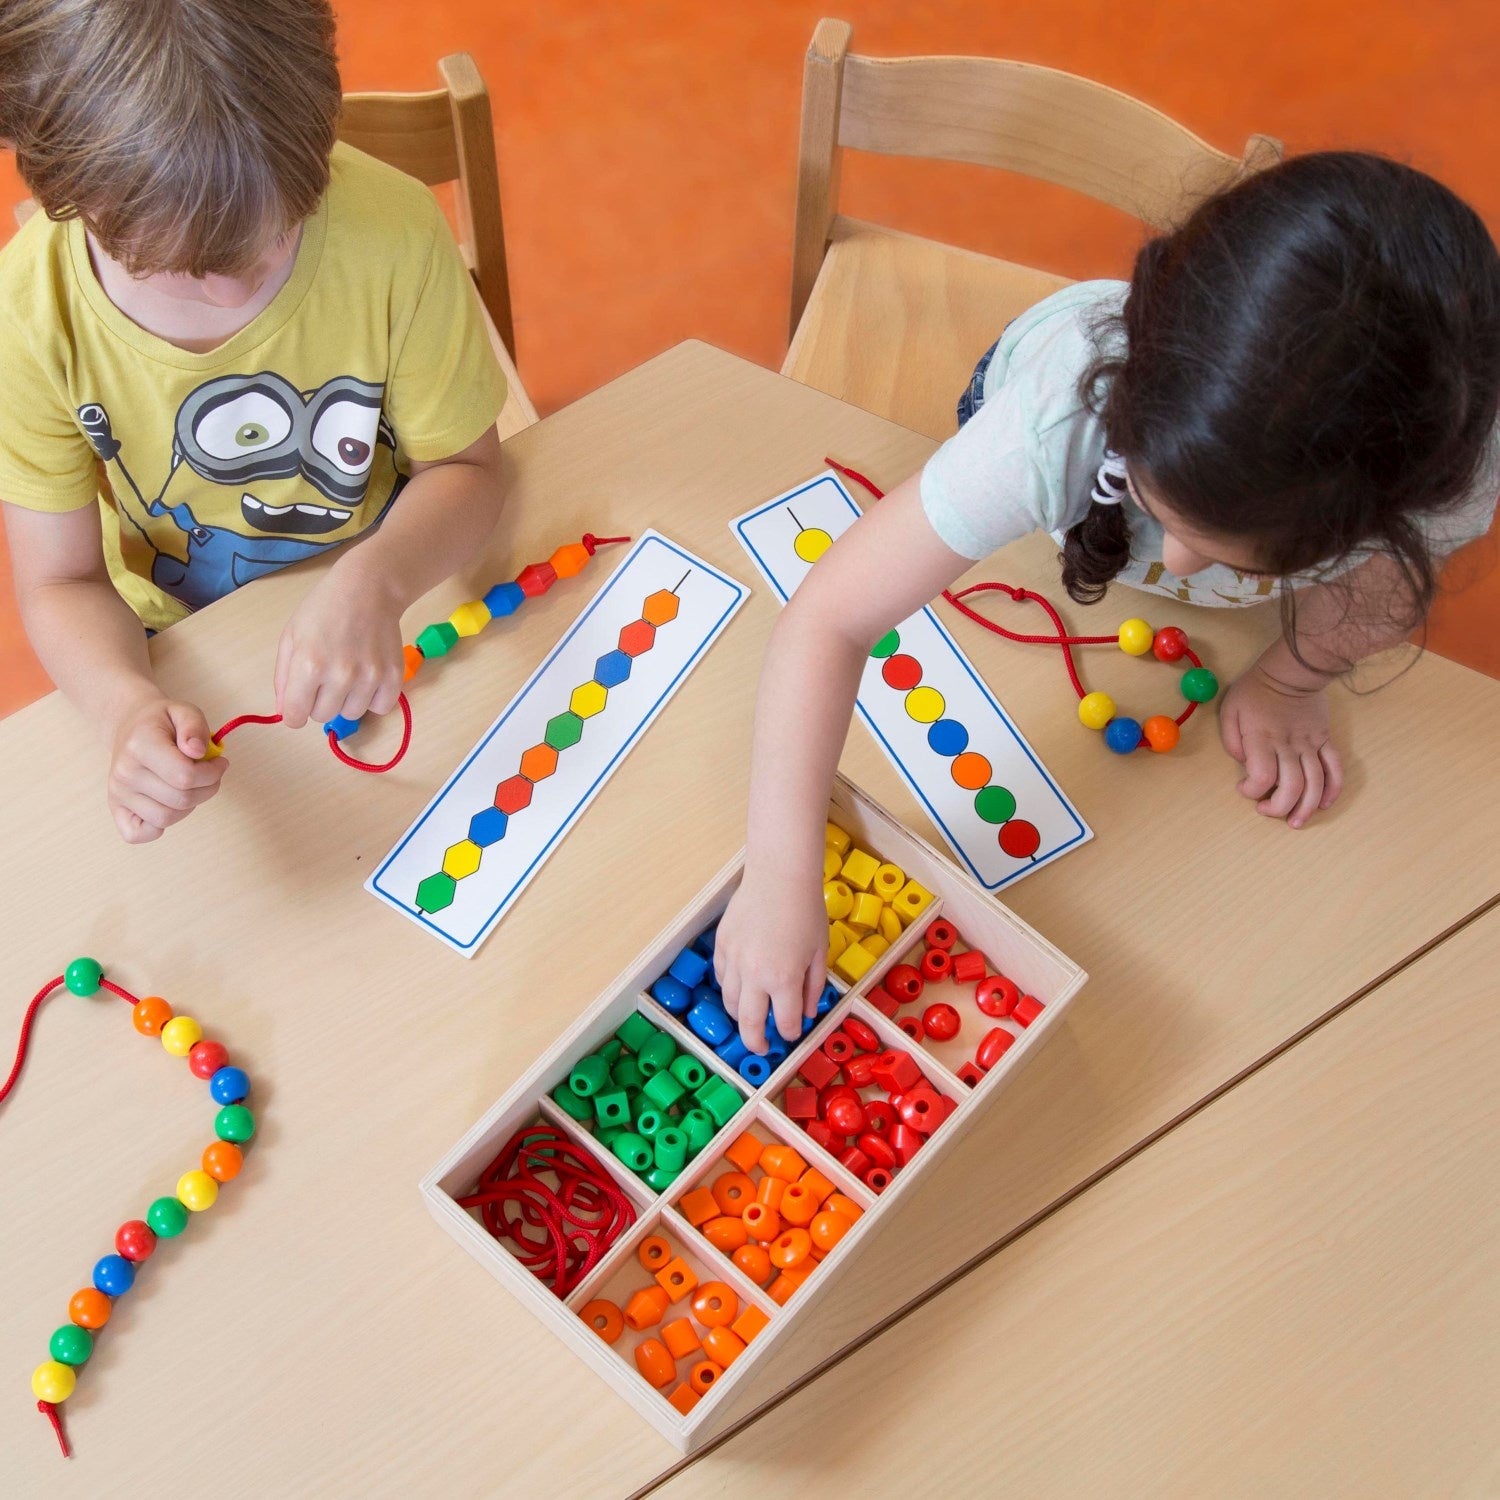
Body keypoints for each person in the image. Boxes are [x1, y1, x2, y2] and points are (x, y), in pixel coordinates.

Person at [716, 151, 1500, 1051]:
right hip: (1044, 418)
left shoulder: (1444, 477)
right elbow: (826, 616)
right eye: (1170, 521)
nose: (1174, 563)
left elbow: (1385, 592)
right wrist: (781, 871)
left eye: (1219, 554)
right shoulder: (1051, 422)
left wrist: (1293, 678)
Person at [0, 0, 510, 841]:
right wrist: (125, 708)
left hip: (397, 588)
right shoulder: (29, 320)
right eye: (180, 269)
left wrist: (378, 580)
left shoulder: (392, 231)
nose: (236, 294)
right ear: (72, 203)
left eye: (276, 238)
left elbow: (470, 470)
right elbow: (61, 584)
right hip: (185, 650)